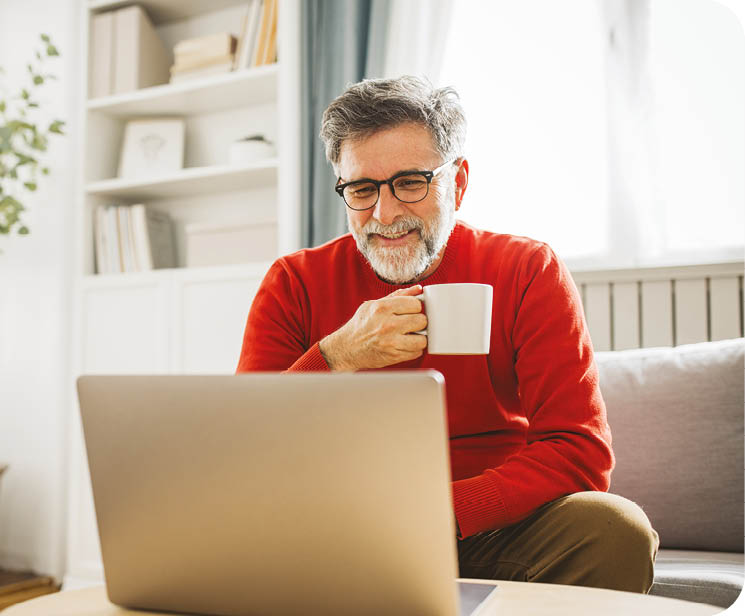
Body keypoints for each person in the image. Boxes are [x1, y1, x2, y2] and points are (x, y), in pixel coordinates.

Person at [236, 76, 659, 592]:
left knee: (616, 530)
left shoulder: (526, 268)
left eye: (411, 182)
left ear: (457, 182)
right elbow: (245, 448)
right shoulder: (293, 281)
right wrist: (336, 354)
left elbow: (578, 447)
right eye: (362, 190)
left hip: (488, 525)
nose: (385, 214)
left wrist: (442, 511)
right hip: (339, 525)